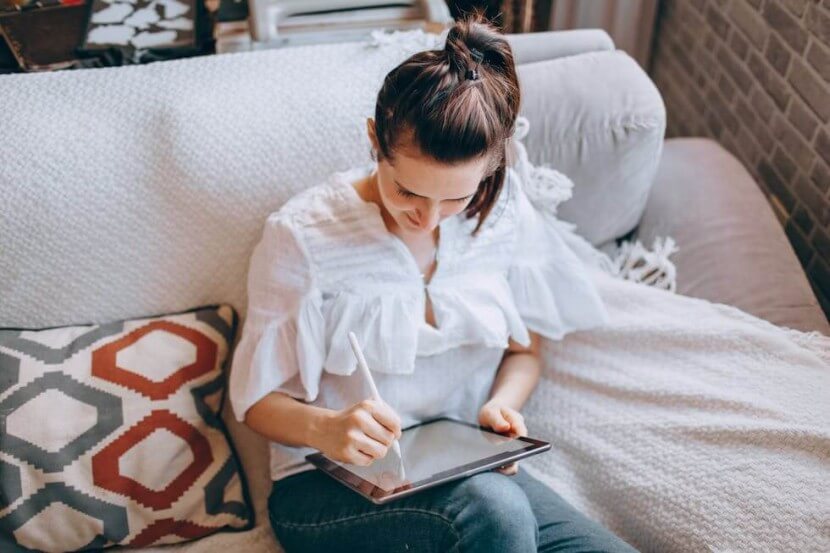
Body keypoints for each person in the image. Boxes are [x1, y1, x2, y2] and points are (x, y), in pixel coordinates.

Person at [229, 13, 637, 553]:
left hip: (464, 468)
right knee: (496, 515)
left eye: (455, 198)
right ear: (374, 141)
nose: (429, 218)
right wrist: (328, 429)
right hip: (324, 489)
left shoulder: (503, 210)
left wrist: (500, 408)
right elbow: (256, 403)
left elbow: (525, 350)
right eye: (408, 192)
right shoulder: (303, 236)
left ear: (492, 166)